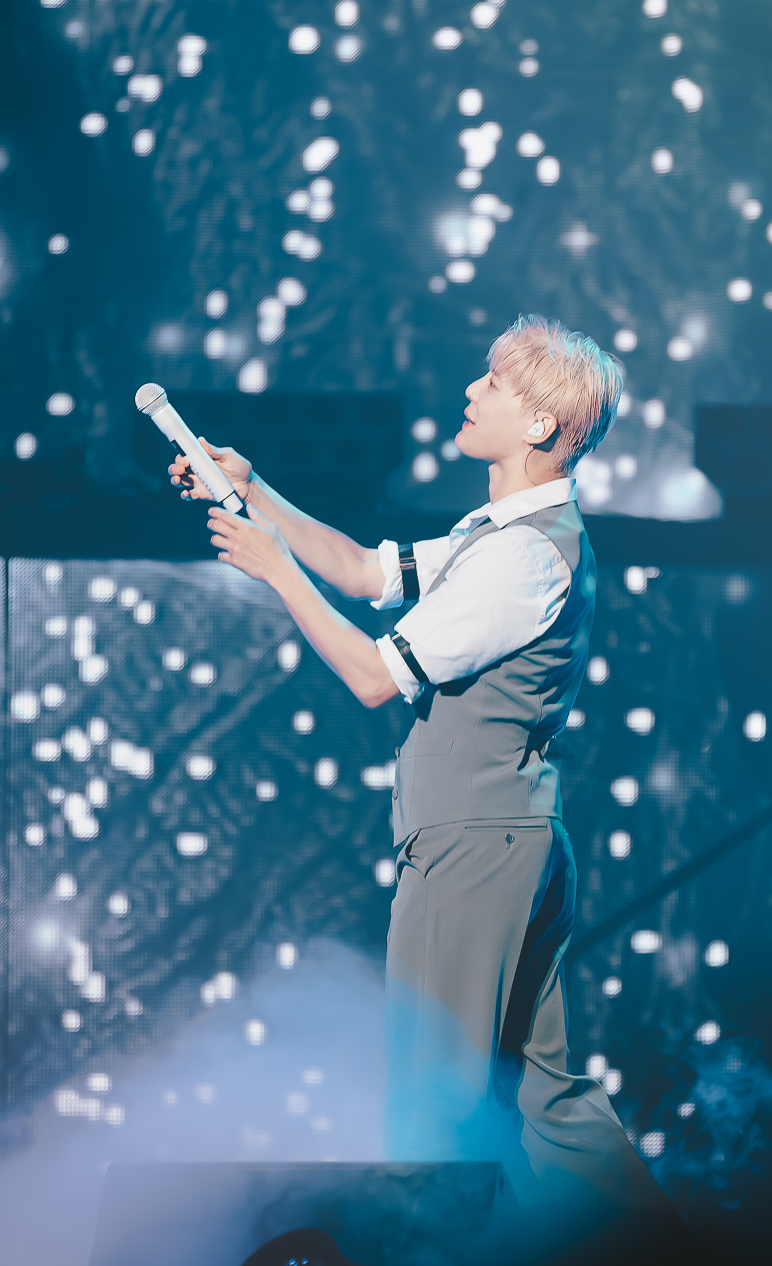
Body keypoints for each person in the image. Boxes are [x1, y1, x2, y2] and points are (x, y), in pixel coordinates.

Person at [170, 315, 677, 1250]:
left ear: (539, 426)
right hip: (508, 836)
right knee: (546, 1098)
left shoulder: (525, 555)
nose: (471, 391)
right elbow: (365, 570)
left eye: (494, 383)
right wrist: (255, 489)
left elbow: (373, 675)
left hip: (475, 844)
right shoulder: (505, 535)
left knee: (431, 1106)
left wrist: (274, 567)